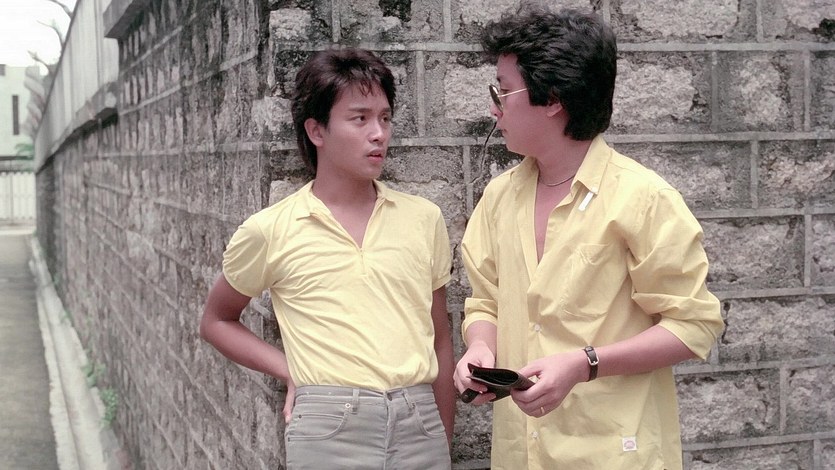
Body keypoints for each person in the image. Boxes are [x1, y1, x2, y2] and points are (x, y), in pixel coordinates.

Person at [453, 7, 725, 469]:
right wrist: (481, 348)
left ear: (553, 99)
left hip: (614, 453)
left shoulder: (642, 198)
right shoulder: (500, 196)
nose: (494, 107)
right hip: (521, 452)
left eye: (503, 90)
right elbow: (486, 301)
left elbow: (694, 325)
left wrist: (585, 363)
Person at [199, 47, 455, 469]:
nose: (379, 133)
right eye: (360, 119)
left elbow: (440, 339)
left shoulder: (423, 218)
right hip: (329, 430)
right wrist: (288, 370)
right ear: (317, 131)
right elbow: (216, 321)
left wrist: (442, 436)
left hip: (419, 424)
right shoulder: (271, 229)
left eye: (385, 118)